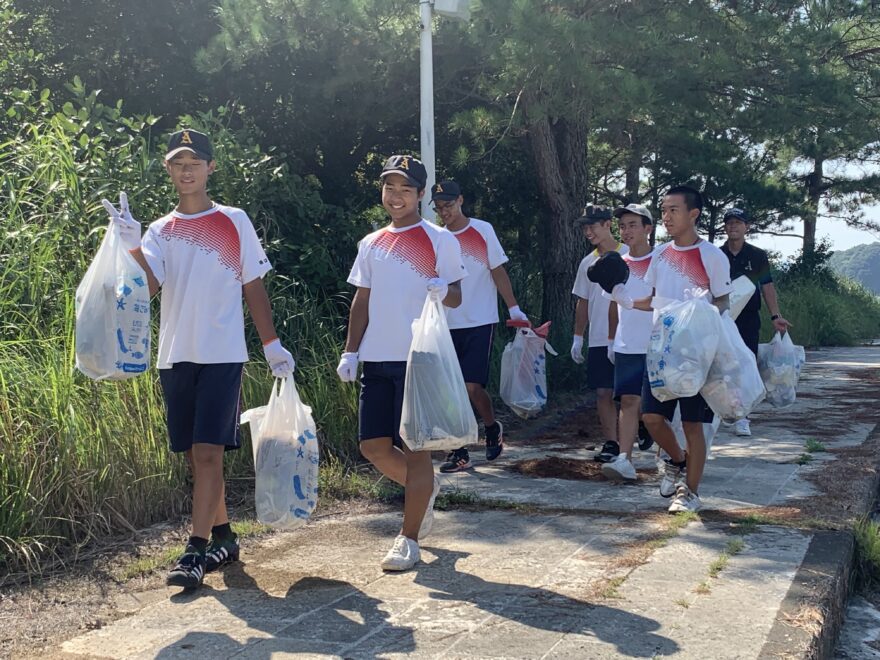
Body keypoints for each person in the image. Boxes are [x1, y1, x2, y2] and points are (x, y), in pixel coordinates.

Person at [104, 128, 296, 590]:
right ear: (168, 169)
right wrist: (132, 244)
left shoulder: (234, 220)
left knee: (209, 452)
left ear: (210, 168)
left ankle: (194, 551)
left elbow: (253, 284)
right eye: (178, 163)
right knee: (197, 455)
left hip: (222, 353)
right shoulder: (160, 230)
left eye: (195, 162)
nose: (186, 170)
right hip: (176, 355)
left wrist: (271, 345)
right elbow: (149, 288)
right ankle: (225, 537)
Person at [336, 155, 466, 572]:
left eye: (405, 190)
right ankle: (423, 492)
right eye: (390, 188)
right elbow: (362, 299)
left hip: (419, 357)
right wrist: (350, 350)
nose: (396, 197)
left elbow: (456, 297)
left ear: (421, 194)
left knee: (415, 451)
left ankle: (408, 538)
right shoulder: (371, 242)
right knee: (372, 446)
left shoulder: (439, 239)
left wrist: (441, 287)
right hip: (376, 355)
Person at [615, 185, 733, 513]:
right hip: (661, 351)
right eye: (664, 210)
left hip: (696, 354)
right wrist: (626, 301)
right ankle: (678, 460)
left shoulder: (712, 256)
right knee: (651, 418)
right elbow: (654, 298)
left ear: (693, 214)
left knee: (693, 425)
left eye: (673, 210)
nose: (666, 217)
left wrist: (705, 310)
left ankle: (690, 494)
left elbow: (723, 301)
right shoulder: (661, 254)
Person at [430, 180, 528, 473]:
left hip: (480, 320)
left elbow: (497, 271)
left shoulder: (481, 230)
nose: (444, 212)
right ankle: (458, 451)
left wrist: (513, 307)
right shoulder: (437, 237)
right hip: (446, 323)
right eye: (439, 208)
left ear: (460, 200)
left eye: (448, 205)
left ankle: (490, 426)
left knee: (472, 386)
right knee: (450, 390)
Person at [721, 207, 792, 437]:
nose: (733, 226)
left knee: (746, 364)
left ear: (746, 227)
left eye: (738, 223)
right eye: (729, 223)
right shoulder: (716, 254)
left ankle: (743, 415)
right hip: (721, 318)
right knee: (722, 364)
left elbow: (767, 286)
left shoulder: (757, 255)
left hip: (748, 318)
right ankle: (721, 409)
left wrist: (775, 315)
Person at [601, 204, 655, 482]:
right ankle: (625, 459)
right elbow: (613, 305)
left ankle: (670, 456)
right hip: (627, 344)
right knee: (629, 400)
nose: (627, 230)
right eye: (622, 226)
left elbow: (661, 299)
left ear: (648, 228)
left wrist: (633, 303)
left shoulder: (661, 260)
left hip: (659, 343)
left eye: (633, 224)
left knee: (659, 406)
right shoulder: (617, 264)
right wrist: (612, 339)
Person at [570, 205, 628, 463]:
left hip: (628, 337)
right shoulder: (587, 262)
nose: (588, 231)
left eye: (593, 225)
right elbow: (582, 301)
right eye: (585, 227)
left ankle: (640, 432)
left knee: (629, 393)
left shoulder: (628, 255)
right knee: (603, 392)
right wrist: (578, 337)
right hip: (599, 338)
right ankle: (612, 443)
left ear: (607, 224)